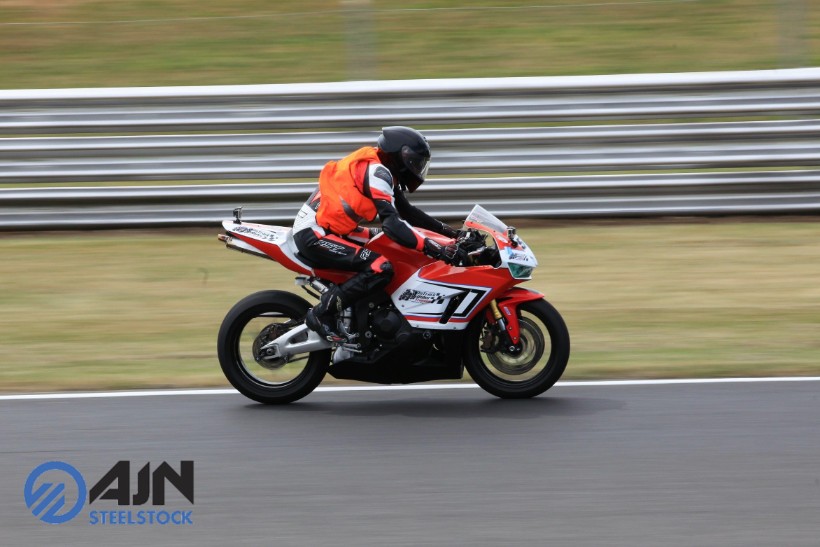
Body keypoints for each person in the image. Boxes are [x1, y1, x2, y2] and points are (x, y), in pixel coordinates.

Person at [292, 126, 464, 342]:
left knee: (385, 245)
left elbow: (408, 213)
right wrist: (433, 247)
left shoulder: (380, 169)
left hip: (333, 229)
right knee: (380, 267)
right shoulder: (377, 172)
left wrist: (450, 234)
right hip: (315, 234)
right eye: (416, 162)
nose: (418, 168)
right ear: (402, 156)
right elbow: (392, 225)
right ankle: (321, 314)